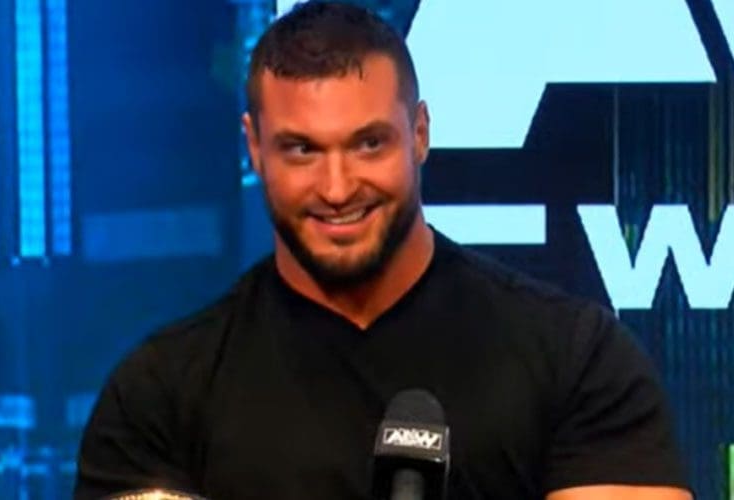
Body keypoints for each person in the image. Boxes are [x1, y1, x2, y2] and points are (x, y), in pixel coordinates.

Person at [74, 2, 692, 499]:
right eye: (301, 150)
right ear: (254, 148)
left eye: (369, 144)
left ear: (419, 133)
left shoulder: (577, 361)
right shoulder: (161, 395)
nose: (338, 187)